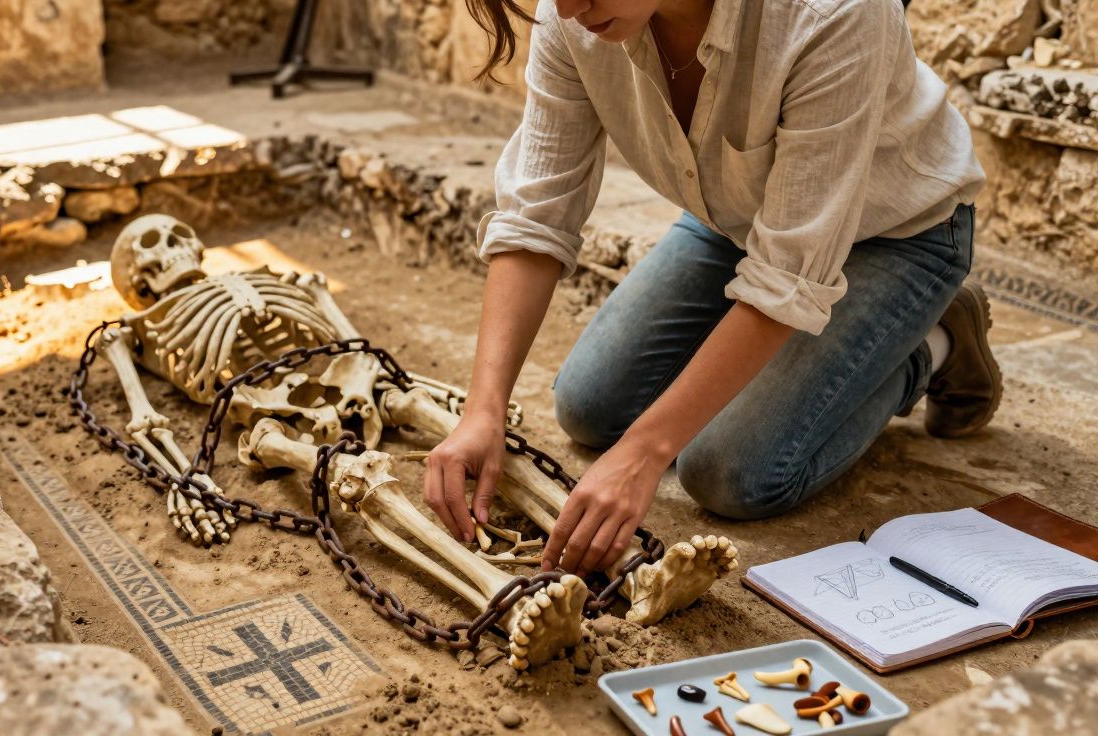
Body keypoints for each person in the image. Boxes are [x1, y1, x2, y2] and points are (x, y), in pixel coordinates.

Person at [422, 0, 1001, 577]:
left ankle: (932, 342)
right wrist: (483, 410)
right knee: (588, 408)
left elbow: (787, 274)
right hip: (736, 221)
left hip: (897, 233)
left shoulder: (837, 12)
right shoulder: (569, 18)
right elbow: (537, 216)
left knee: (730, 473)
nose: (570, 9)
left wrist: (644, 454)